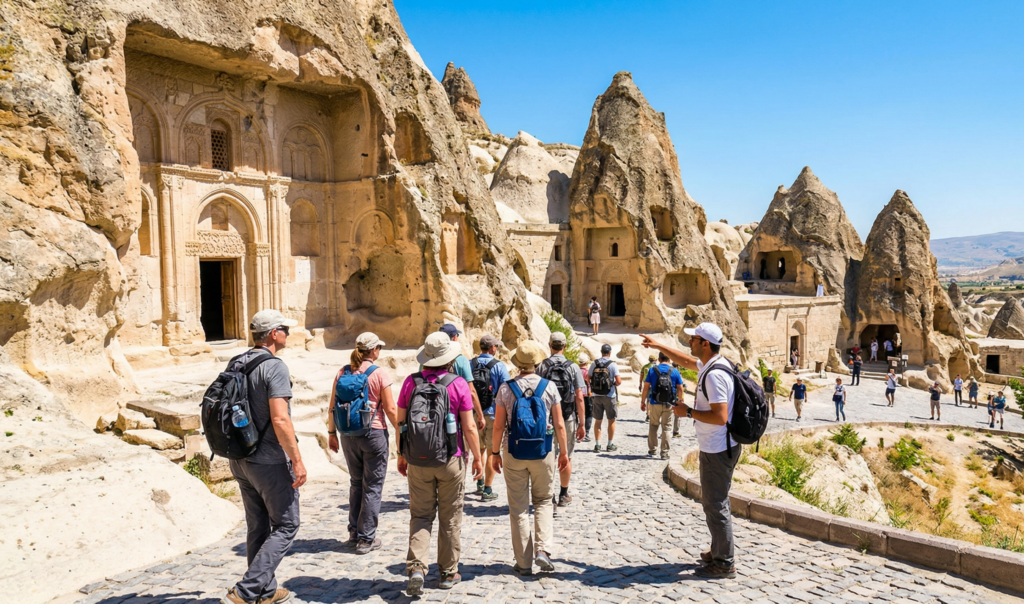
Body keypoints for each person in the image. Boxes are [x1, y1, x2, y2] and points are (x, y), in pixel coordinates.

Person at [639, 323, 738, 579]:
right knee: (712, 501)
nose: (690, 341)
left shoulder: (715, 375)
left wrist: (689, 412)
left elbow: (721, 416)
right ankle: (718, 549)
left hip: (718, 447)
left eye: (694, 339)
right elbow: (684, 360)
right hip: (715, 445)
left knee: (716, 504)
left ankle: (725, 563)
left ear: (705, 344)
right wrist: (659, 345)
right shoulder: (713, 363)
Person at [223, 310, 305, 604]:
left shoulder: (237, 362)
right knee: (286, 525)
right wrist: (296, 459)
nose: (288, 333)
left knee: (257, 524)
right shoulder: (275, 367)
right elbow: (281, 420)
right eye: (284, 328)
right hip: (267, 459)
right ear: (273, 334)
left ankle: (265, 592)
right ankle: (245, 592)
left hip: (240, 457)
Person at [397, 332, 484, 596]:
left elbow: (401, 422)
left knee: (421, 515)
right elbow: (468, 426)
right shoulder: (457, 384)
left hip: (418, 460)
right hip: (451, 458)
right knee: (450, 517)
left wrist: (402, 454)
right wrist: (478, 457)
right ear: (449, 359)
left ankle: (415, 568)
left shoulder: (410, 383)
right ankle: (447, 573)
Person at [490, 341, 570, 576]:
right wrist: (563, 452)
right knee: (544, 500)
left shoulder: (506, 388)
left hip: (513, 452)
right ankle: (543, 551)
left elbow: (498, 427)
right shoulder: (549, 387)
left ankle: (523, 562)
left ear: (518, 364)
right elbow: (559, 424)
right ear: (536, 363)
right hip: (543, 451)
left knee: (518, 508)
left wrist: (495, 453)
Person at [328, 332, 396, 555]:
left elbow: (332, 406)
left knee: (356, 483)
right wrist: (402, 432)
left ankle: (354, 532)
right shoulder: (378, 374)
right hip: (374, 434)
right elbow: (390, 408)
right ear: (374, 350)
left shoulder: (342, 372)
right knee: (373, 485)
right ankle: (367, 539)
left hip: (348, 435)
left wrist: (332, 433)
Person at [536, 333, 586, 506]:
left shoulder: (542, 366)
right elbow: (579, 396)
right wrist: (582, 423)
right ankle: (564, 494)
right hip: (567, 417)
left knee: (547, 457)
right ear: (564, 346)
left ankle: (548, 495)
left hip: (547, 420)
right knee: (567, 456)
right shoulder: (573, 367)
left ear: (549, 345)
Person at [471, 335, 511, 501]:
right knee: (491, 451)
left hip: (473, 413)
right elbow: (506, 390)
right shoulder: (499, 366)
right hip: (493, 413)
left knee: (477, 448)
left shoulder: (469, 363)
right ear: (493, 348)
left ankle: (479, 481)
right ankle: (487, 489)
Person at [437, 324, 486, 434]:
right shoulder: (461, 360)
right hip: (456, 415)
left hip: (433, 413)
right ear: (454, 338)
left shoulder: (426, 362)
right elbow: (471, 391)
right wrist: (480, 415)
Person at [640, 352, 684, 459]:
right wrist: (680, 401)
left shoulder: (652, 370)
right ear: (669, 359)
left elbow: (646, 387)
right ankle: (664, 453)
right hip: (669, 403)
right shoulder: (675, 371)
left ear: (659, 359)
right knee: (667, 428)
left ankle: (652, 449)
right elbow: (680, 388)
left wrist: (642, 401)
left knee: (653, 426)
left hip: (655, 403)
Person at [588, 344, 621, 452]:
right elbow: (619, 381)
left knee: (598, 421)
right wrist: (612, 384)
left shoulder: (594, 363)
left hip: (597, 395)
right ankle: (610, 444)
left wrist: (593, 387)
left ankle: (597, 445)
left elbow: (587, 377)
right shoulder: (612, 364)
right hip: (609, 395)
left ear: (601, 351)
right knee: (611, 420)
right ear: (610, 352)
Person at [577, 356, 594, 442]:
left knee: (576, 413)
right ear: (587, 362)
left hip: (576, 395)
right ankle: (586, 433)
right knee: (589, 414)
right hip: (587, 394)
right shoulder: (588, 372)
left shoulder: (575, 371)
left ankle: (576, 433)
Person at [639, 355, 657, 423]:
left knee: (648, 400)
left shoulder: (644, 366)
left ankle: (648, 415)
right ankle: (654, 414)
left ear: (649, 359)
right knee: (655, 399)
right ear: (655, 360)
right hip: (654, 385)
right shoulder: (656, 367)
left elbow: (641, 376)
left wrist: (640, 384)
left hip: (646, 385)